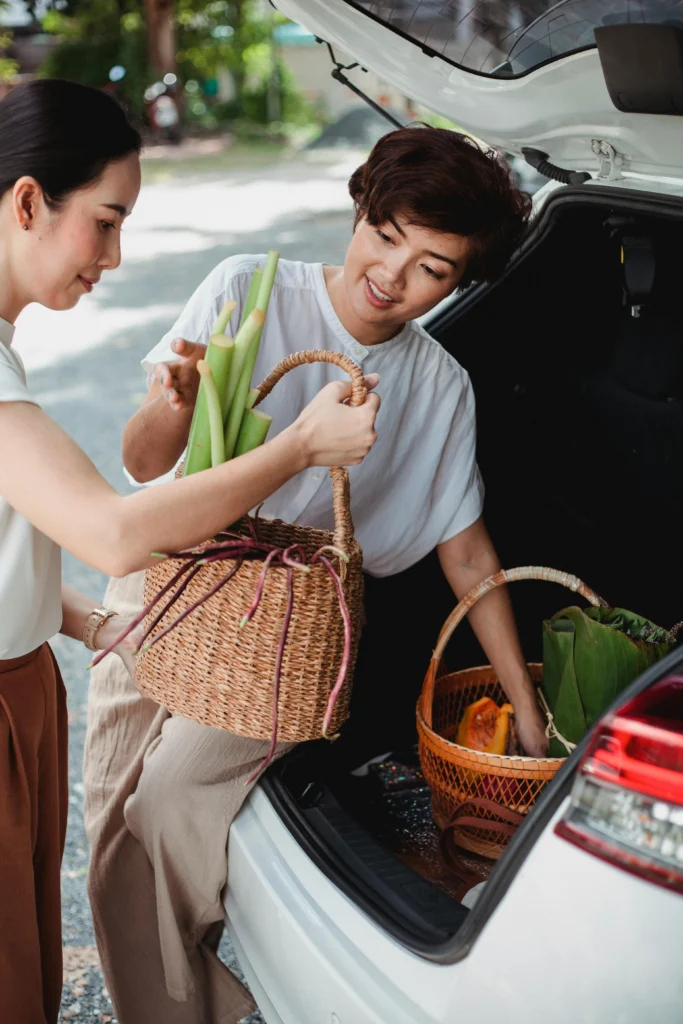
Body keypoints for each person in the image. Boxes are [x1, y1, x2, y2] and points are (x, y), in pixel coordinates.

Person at [84, 124, 546, 1024]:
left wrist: (525, 706)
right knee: (111, 823)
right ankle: (189, 1006)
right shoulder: (249, 291)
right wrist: (174, 407)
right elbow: (143, 466)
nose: (391, 275)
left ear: (459, 281)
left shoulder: (439, 384)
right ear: (362, 209)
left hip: (290, 632)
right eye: (385, 234)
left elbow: (466, 550)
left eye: (432, 268)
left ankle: (192, 1009)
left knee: (169, 800)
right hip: (163, 586)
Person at [0, 78, 379, 1024]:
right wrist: (295, 449)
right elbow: (113, 527)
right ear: (27, 202)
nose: (117, 257)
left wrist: (89, 621)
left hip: (27, 679)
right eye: (107, 220)